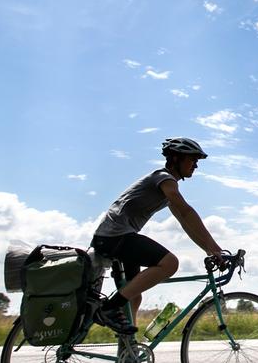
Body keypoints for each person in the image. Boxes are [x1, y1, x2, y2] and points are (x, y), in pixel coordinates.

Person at [90, 137, 224, 340]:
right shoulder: (163, 178)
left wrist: (209, 249)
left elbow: (185, 222)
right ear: (176, 158)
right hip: (114, 236)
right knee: (169, 263)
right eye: (192, 159)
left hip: (116, 237)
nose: (196, 165)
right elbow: (186, 211)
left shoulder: (167, 189)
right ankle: (108, 308)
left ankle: (130, 362)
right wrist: (216, 249)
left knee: (133, 297)